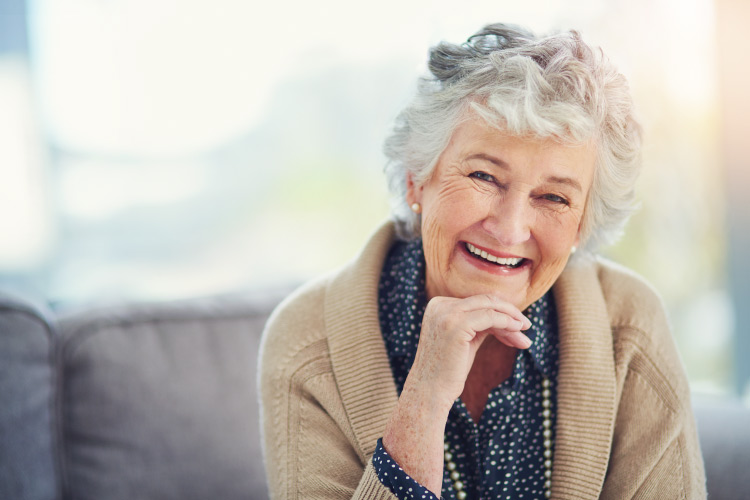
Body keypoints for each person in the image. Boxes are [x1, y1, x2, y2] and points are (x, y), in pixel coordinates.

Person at [258, 23, 707, 500]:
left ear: (582, 227)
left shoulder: (631, 326)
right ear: (417, 178)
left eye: (554, 197)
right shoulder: (309, 342)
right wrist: (424, 402)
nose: (511, 229)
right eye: (484, 176)